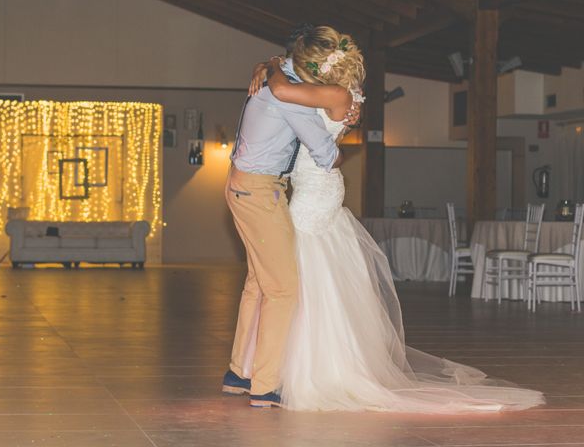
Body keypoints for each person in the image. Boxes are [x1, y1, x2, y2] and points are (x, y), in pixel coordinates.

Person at [249, 25, 545, 413]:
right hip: (318, 191)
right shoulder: (343, 94)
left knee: (304, 281)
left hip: (313, 198)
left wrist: (271, 64)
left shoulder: (333, 94)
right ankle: (293, 367)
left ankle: (308, 372)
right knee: (315, 282)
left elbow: (281, 90)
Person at [221, 25, 360, 408]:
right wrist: (338, 144)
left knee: (258, 283)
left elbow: (281, 75)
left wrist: (268, 64)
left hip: (245, 186)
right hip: (260, 192)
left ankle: (239, 371)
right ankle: (264, 386)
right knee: (283, 290)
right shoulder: (291, 95)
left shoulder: (282, 79)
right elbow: (324, 154)